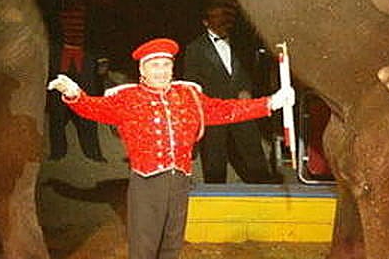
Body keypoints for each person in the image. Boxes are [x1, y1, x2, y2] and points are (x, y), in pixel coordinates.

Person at [48, 37, 294, 259]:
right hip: (146, 183)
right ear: (142, 69)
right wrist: (74, 93)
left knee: (172, 243)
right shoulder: (127, 98)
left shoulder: (188, 96)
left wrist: (270, 103)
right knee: (144, 245)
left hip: (180, 180)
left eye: (166, 65)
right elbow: (93, 108)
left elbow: (225, 110)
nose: (162, 71)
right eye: (155, 65)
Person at [182, 0, 275, 184]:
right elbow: (191, 84)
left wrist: (246, 89)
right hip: (214, 113)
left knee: (254, 155)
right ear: (206, 22)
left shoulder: (241, 43)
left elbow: (249, 71)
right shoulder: (194, 49)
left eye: (224, 17)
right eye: (216, 17)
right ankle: (215, 195)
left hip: (242, 109)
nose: (222, 21)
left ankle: (264, 191)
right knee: (214, 161)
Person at [45, 0, 105, 162]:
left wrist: (101, 60)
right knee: (57, 109)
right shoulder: (53, 13)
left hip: (84, 60)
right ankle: (58, 151)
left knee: (88, 105)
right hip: (60, 59)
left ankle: (92, 151)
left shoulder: (91, 12)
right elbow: (49, 37)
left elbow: (97, 36)